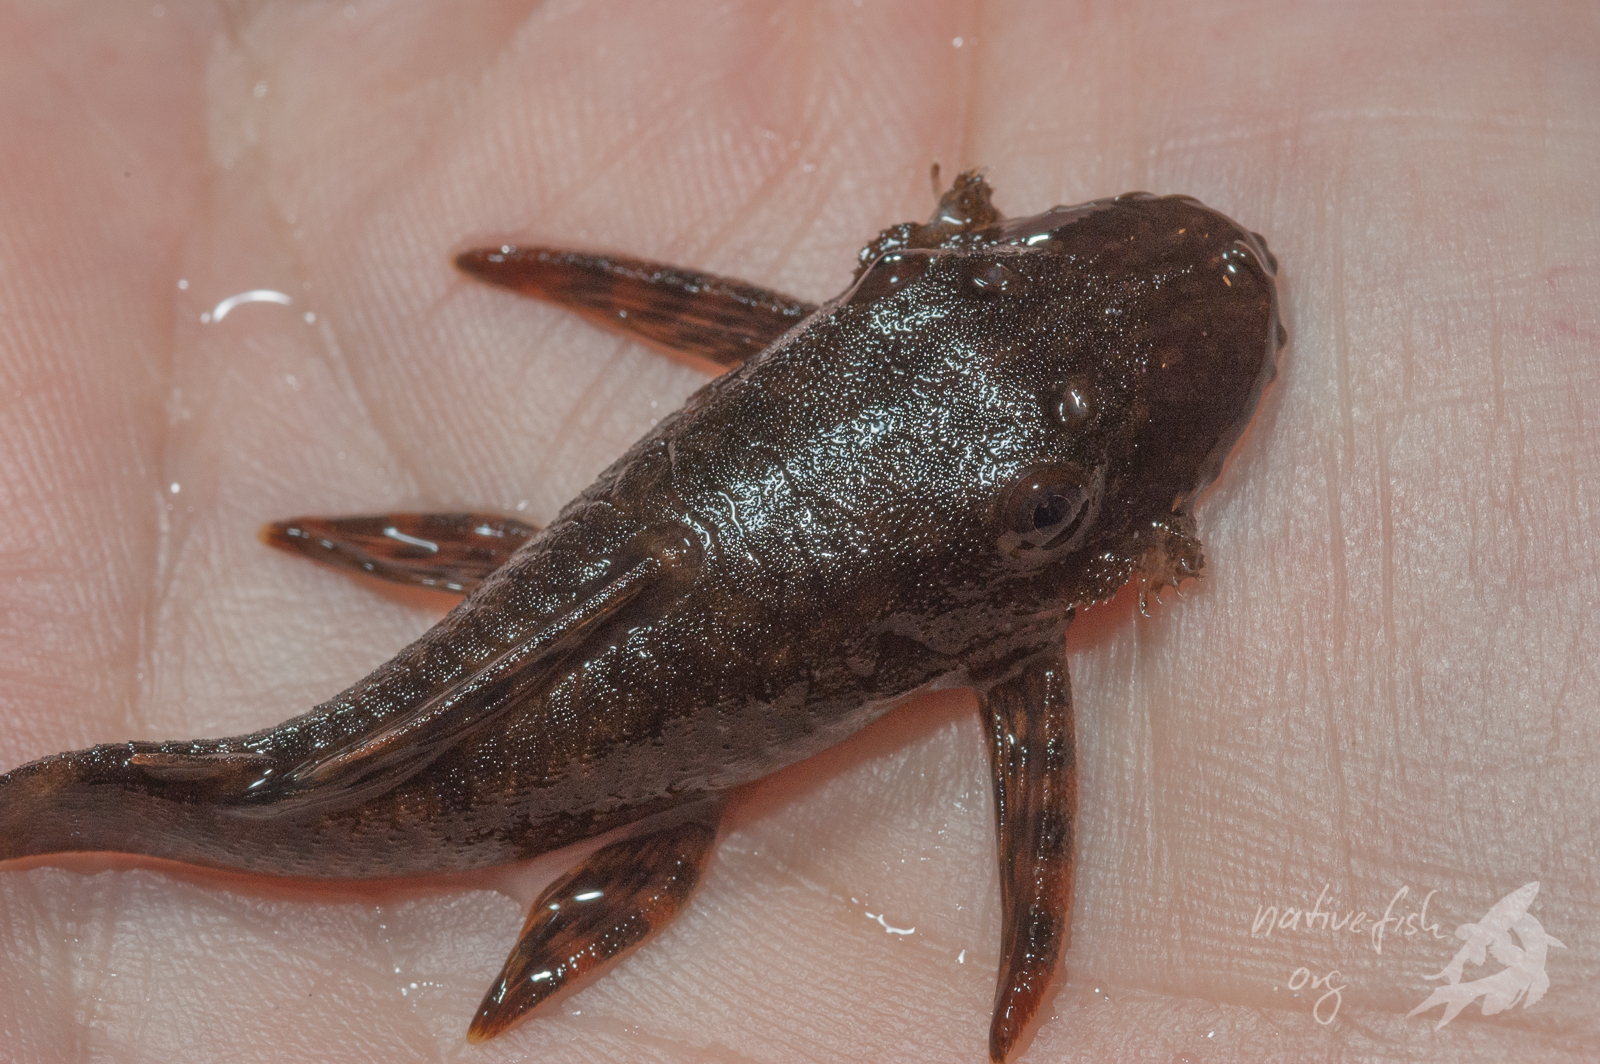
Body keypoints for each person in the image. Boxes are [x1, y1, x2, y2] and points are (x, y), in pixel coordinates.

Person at [0, 2, 1593, 1061]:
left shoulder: (854, 367)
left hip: (539, 642)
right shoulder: (1016, 620)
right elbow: (1033, 889)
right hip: (493, 718)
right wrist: (1025, 958)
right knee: (319, 783)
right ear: (894, 291)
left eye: (1051, 511)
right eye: (939, 282)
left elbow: (602, 278)